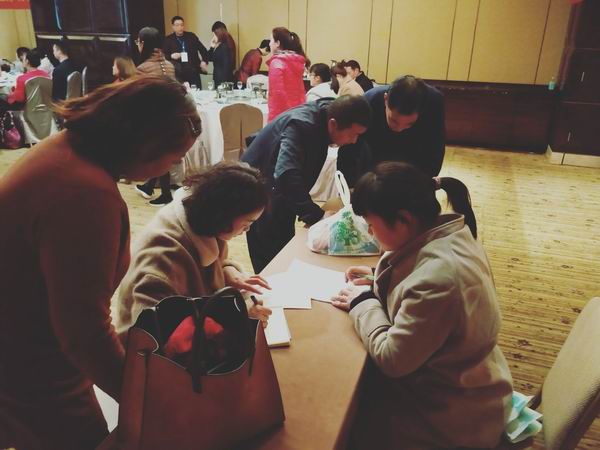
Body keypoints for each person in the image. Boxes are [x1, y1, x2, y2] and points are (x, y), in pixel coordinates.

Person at [0, 75, 202, 450]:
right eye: (173, 159)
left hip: (31, 347)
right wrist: (144, 401)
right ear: (146, 144)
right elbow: (84, 331)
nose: (167, 171)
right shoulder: (85, 194)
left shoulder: (70, 149)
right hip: (30, 362)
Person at [331, 162, 513, 449]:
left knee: (337, 417)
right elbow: (418, 284)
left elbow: (393, 359)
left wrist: (362, 301)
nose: (370, 232)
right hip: (468, 381)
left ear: (403, 219)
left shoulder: (439, 279)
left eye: (371, 224)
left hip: (448, 417)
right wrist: (379, 278)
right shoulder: (450, 234)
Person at [115, 162, 272, 334]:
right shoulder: (163, 261)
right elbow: (158, 335)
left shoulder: (202, 218)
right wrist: (237, 315)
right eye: (247, 223)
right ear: (225, 214)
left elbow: (213, 261)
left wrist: (227, 270)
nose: (247, 230)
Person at [241, 95, 371, 273]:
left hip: (278, 186)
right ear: (333, 124)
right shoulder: (301, 125)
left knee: (286, 243)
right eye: (352, 134)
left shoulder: (331, 112)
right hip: (259, 188)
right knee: (272, 256)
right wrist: (316, 216)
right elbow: (286, 175)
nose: (354, 140)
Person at [337, 75, 446, 184]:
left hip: (414, 154)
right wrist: (349, 185)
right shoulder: (369, 102)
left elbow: (435, 149)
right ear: (385, 99)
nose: (399, 129)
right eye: (394, 121)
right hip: (376, 151)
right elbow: (349, 149)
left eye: (409, 124)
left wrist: (423, 183)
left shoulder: (433, 103)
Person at [134, 27, 178, 207]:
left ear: (143, 43)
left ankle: (166, 194)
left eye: (138, 41)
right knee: (162, 154)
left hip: (154, 119)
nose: (137, 45)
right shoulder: (169, 65)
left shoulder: (142, 69)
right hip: (172, 117)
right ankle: (149, 186)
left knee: (160, 156)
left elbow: (140, 98)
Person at [266, 26, 307, 122]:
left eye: (271, 40)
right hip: (298, 112)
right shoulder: (297, 61)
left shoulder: (276, 63)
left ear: (277, 43)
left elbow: (278, 94)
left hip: (281, 117)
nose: (269, 44)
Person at [163, 15, 209, 88]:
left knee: (197, 92)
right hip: (178, 74)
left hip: (193, 71)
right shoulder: (168, 39)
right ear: (173, 27)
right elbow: (164, 56)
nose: (180, 27)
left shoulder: (191, 36)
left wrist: (204, 61)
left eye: (182, 25)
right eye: (177, 25)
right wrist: (171, 56)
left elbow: (203, 50)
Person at [0, 49, 49, 114]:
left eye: (23, 59)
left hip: (25, 107)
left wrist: (12, 94)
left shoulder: (22, 78)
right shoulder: (45, 74)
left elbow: (18, 98)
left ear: (27, 61)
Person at [207, 21, 235, 86]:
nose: (213, 37)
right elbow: (209, 58)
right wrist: (212, 47)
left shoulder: (224, 46)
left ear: (219, 33)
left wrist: (223, 83)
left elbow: (226, 66)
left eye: (214, 34)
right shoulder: (222, 44)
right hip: (221, 79)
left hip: (222, 80)